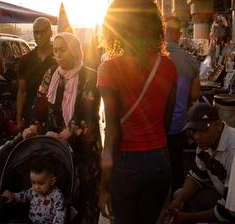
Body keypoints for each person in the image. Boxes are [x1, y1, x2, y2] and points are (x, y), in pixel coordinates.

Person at [97, 0, 177, 223]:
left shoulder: (109, 69)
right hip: (159, 160)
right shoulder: (169, 67)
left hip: (126, 164)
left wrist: (104, 187)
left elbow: (112, 133)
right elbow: (166, 122)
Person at [22, 32, 101, 224]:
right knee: (60, 194)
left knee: (85, 197)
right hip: (58, 148)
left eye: (62, 50)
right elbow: (40, 102)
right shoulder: (51, 74)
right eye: (55, 50)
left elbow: (87, 113)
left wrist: (64, 134)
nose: (58, 54)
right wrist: (33, 126)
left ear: (74, 50)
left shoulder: (90, 76)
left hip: (83, 150)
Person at [164, 103, 235, 224]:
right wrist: (180, 199)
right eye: (192, 130)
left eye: (202, 129)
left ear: (218, 125)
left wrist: (187, 218)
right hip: (221, 194)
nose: (196, 136)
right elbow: (198, 175)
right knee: (179, 195)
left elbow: (230, 211)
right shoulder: (205, 142)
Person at [164, 16, 200, 192]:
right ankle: (176, 204)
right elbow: (194, 95)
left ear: (163, 31)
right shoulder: (190, 60)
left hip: (155, 126)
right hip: (178, 125)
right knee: (177, 164)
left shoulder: (154, 58)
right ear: (179, 34)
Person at [16, 17, 57, 131]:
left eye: (42, 32)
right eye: (35, 32)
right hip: (31, 114)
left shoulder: (59, 58)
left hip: (54, 115)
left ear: (50, 33)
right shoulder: (25, 60)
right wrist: (19, 119)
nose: (38, 36)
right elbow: (22, 91)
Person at [1, 157, 65, 224]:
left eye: (41, 183)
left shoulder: (57, 196)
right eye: (33, 182)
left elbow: (60, 216)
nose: (36, 187)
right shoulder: (33, 191)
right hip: (31, 221)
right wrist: (14, 195)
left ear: (52, 181)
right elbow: (24, 195)